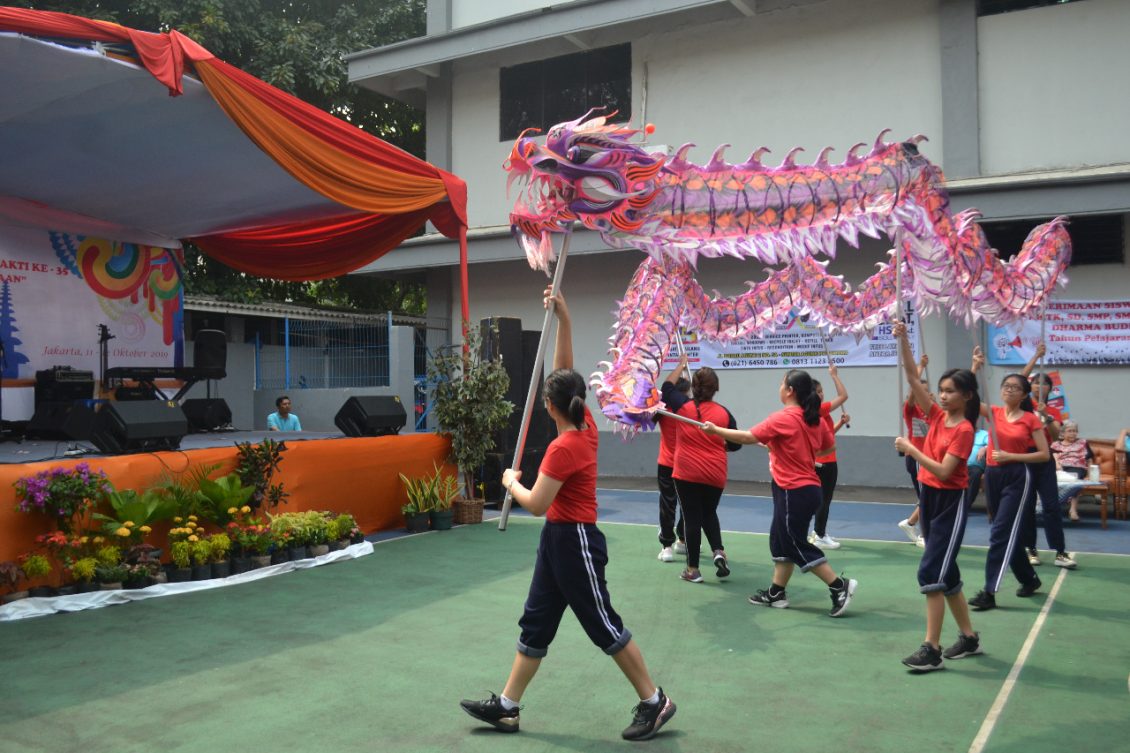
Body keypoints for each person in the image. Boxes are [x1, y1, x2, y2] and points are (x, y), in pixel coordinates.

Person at [460, 288, 676, 742]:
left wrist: (509, 482)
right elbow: (566, 374)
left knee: (602, 624)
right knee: (536, 620)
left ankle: (655, 700)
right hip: (557, 542)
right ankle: (508, 707)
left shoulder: (564, 447)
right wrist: (564, 318)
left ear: (549, 406)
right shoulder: (585, 426)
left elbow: (537, 503)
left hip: (575, 541)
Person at [703, 370, 858, 617]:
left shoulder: (783, 418)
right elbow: (828, 446)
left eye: (781, 384)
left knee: (793, 543)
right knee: (780, 540)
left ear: (790, 391)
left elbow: (748, 436)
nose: (780, 388)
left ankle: (839, 586)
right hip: (803, 489)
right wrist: (786, 449)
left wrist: (716, 430)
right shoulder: (814, 419)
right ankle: (777, 592)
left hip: (793, 490)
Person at [891, 321, 983, 672]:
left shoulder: (964, 429)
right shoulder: (936, 416)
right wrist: (904, 340)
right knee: (949, 574)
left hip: (949, 502)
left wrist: (912, 450)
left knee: (931, 570)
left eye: (950, 391)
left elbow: (945, 471)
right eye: (941, 390)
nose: (943, 396)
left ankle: (931, 648)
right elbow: (912, 378)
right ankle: (969, 638)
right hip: (929, 498)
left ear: (967, 396)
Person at [967, 373, 1050, 611]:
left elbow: (1044, 454)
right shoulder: (994, 412)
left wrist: (1010, 456)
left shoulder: (1030, 419)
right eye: (1006, 386)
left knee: (1000, 533)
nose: (1009, 389)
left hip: (1017, 476)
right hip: (993, 475)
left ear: (1024, 395)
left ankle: (989, 592)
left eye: (1015, 387)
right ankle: (1029, 579)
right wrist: (975, 367)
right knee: (1002, 531)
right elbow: (970, 398)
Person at [671, 365, 735, 583]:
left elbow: (666, 388)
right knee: (709, 513)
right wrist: (723, 444)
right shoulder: (724, 413)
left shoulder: (682, 406)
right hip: (715, 472)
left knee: (692, 518)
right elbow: (736, 443)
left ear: (693, 386)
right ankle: (718, 550)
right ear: (715, 388)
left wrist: (680, 365)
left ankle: (693, 570)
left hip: (687, 472)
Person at [1019, 346, 1076, 569]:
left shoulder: (1053, 411)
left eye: (1044, 383)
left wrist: (1045, 415)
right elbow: (1020, 378)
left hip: (1045, 460)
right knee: (1027, 506)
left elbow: (1054, 436)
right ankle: (1030, 549)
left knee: (1051, 506)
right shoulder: (1025, 404)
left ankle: (1060, 552)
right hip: (1026, 459)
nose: (1039, 386)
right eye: (1036, 383)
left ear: (1050, 389)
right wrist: (1035, 356)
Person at [809, 364, 850, 550]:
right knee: (824, 500)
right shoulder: (820, 409)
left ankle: (819, 531)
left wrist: (840, 423)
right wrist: (834, 375)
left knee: (822, 499)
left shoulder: (817, 412)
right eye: (817, 392)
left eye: (821, 391)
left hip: (822, 462)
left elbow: (827, 436)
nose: (821, 395)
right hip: (826, 463)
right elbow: (843, 396)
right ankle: (820, 535)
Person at [655, 355, 690, 562]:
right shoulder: (691, 410)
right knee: (687, 503)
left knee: (668, 504)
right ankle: (682, 541)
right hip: (685, 463)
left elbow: (665, 388)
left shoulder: (662, 409)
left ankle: (667, 546)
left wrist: (680, 366)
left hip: (668, 463)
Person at [897, 354, 931, 548]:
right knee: (926, 498)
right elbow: (912, 387)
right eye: (921, 391)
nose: (924, 394)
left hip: (929, 459)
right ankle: (925, 535)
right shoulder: (911, 411)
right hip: (917, 459)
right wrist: (921, 367)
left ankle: (910, 523)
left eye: (927, 391)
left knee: (928, 496)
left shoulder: (932, 412)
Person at [1051, 420, 1092, 522]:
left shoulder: (1082, 443)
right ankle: (1052, 508)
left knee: (1074, 479)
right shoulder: (1056, 445)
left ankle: (1073, 510)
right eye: (1070, 431)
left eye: (1074, 431)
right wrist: (1058, 465)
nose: (1073, 433)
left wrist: (1090, 474)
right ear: (1062, 433)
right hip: (1060, 467)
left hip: (1077, 467)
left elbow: (1089, 459)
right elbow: (1053, 458)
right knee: (1051, 478)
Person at [966, 428, 990, 510]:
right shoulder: (962, 432)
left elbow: (993, 445)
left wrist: (985, 448)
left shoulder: (984, 434)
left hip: (975, 466)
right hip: (960, 464)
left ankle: (966, 505)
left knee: (975, 474)